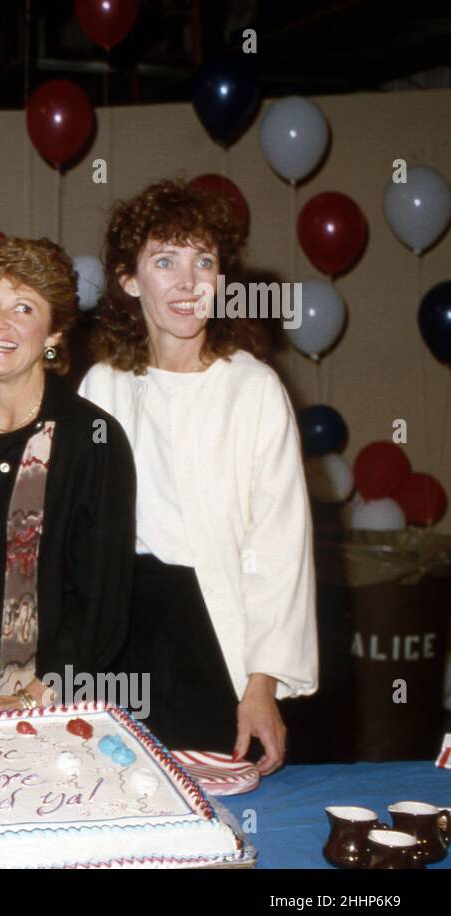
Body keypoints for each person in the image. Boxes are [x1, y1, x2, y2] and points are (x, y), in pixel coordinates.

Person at [78, 178, 318, 772]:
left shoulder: (253, 389)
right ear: (130, 280)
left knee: (220, 816)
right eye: (165, 261)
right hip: (115, 633)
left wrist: (261, 685)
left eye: (203, 262)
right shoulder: (100, 386)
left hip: (213, 634)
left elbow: (281, 549)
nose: (188, 283)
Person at [0, 237, 136, 710]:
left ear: (55, 333)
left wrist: (35, 697)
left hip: (52, 708)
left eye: (25, 308)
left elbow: (103, 606)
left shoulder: (92, 437)